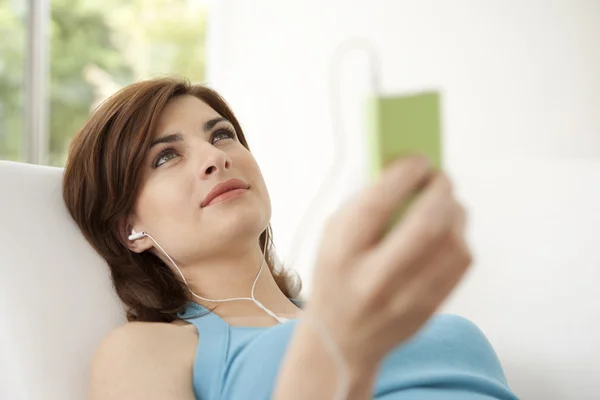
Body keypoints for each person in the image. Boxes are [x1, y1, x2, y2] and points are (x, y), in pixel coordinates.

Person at [62, 77, 519, 400]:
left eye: (221, 135)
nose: (214, 158)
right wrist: (338, 345)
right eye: (165, 158)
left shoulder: (381, 311)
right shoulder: (148, 350)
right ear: (129, 229)